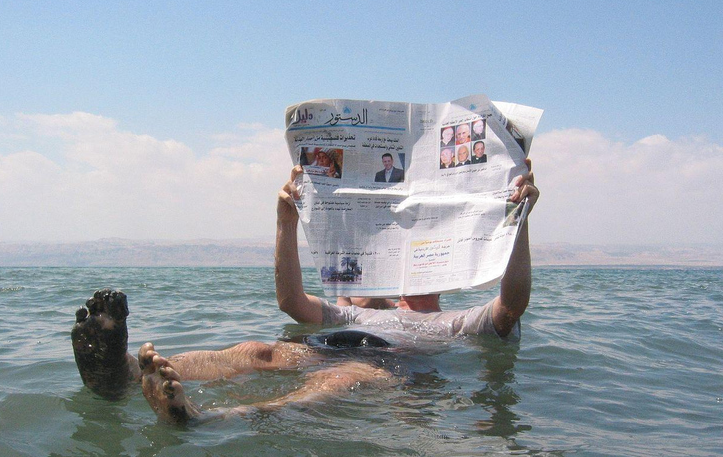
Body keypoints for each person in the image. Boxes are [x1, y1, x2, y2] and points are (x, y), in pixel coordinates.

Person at [72, 162, 538, 424]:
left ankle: (206, 418)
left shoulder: (455, 322)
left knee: (343, 376)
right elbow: (291, 303)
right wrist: (285, 220)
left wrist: (520, 224)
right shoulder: (357, 312)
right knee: (259, 351)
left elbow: (510, 305)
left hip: (396, 364)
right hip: (327, 346)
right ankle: (122, 372)